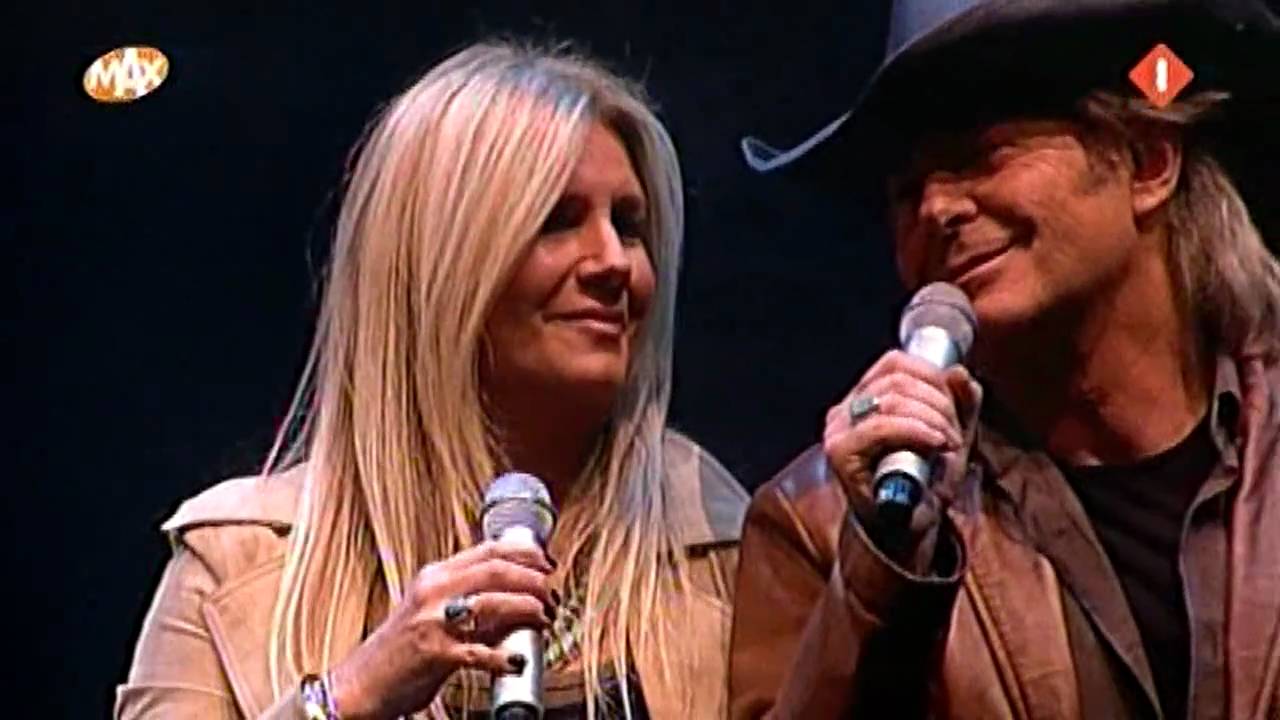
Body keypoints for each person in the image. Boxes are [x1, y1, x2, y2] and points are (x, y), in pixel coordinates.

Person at [116, 41, 747, 720]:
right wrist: (350, 696)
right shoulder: (239, 562)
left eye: (628, 224)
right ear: (441, 262)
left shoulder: (720, 539)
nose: (614, 262)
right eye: (557, 221)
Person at [729, 1, 1280, 718]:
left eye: (981, 155)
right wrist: (881, 570)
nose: (936, 209)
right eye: (906, 192)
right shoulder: (821, 524)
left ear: (1147, 162)